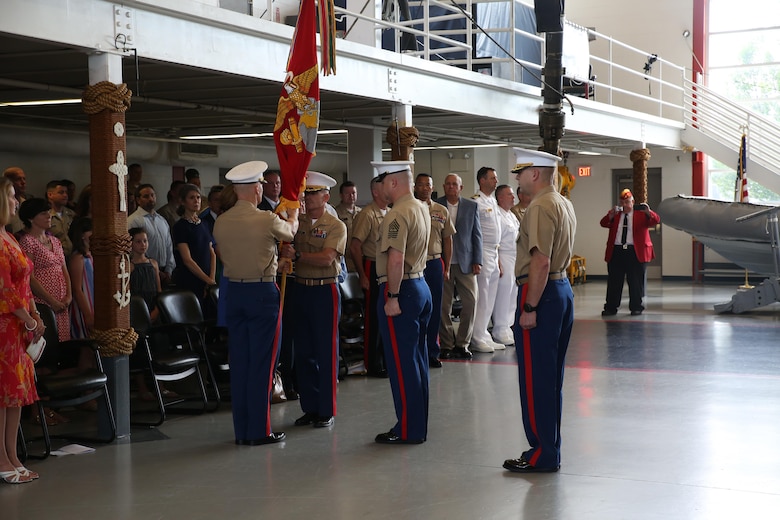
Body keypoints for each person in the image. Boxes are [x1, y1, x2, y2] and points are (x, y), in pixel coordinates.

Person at [213, 161, 298, 446]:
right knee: (263, 363)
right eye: (261, 184)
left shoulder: (220, 221)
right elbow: (291, 232)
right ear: (256, 188)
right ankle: (260, 431)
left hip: (234, 293)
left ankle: (242, 430)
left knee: (241, 363)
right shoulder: (264, 218)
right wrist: (293, 212)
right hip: (261, 294)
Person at [504, 148, 576, 473]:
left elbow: (541, 260)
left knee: (536, 380)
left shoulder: (540, 206)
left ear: (534, 173)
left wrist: (529, 305)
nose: (517, 179)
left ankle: (542, 453)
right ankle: (550, 448)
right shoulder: (562, 203)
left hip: (542, 294)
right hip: (561, 290)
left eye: (520, 172)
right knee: (551, 379)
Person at [371, 161, 432, 445]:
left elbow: (395, 258)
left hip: (402, 290)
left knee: (402, 363)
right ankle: (417, 424)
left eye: (382, 181)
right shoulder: (421, 207)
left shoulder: (397, 214)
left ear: (392, 183)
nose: (379, 187)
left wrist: (392, 297)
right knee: (417, 360)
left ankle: (408, 429)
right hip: (419, 284)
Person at [280, 172, 346, 429]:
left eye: (312, 193)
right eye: (305, 193)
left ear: (326, 196)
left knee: (325, 351)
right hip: (300, 288)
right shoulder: (300, 222)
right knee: (304, 351)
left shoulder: (335, 225)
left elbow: (328, 257)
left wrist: (297, 255)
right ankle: (309, 406)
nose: (307, 197)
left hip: (324, 290)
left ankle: (326, 409)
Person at [0, 177, 45, 484]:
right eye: (12, 197)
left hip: (20, 325)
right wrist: (27, 319)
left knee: (16, 396)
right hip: (5, 325)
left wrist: (35, 314)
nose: (17, 202)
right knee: (3, 396)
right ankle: (1, 459)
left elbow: (24, 283)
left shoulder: (9, 236)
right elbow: (3, 288)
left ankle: (13, 454)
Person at [436, 174, 482, 360]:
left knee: (470, 303)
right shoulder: (435, 205)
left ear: (461, 187)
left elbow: (476, 235)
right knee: (443, 306)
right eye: (447, 184)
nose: (451, 187)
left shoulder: (471, 206)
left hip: (465, 262)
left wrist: (477, 260)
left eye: (454, 184)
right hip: (442, 263)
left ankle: (462, 344)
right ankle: (446, 344)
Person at [413, 173, 455, 368]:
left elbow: (448, 240)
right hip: (414, 265)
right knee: (415, 309)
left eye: (427, 185)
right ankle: (416, 351)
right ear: (415, 187)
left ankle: (431, 351)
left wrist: (446, 267)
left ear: (432, 187)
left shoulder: (441, 210)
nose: (423, 188)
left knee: (435, 309)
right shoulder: (409, 209)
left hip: (434, 263)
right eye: (420, 185)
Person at [349, 176, 389, 377]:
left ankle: (384, 360)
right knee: (373, 318)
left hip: (386, 268)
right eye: (385, 186)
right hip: (372, 266)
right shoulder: (367, 214)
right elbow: (355, 246)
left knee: (386, 316)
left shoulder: (390, 212)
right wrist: (362, 275)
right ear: (376, 191)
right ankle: (373, 363)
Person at [18, 198, 72, 342]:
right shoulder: (27, 241)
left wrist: (68, 296)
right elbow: (30, 277)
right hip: (43, 302)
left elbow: (64, 270)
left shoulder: (55, 241)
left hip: (62, 302)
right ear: (30, 218)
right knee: (48, 344)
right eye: (43, 213)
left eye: (48, 212)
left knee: (63, 345)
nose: (49, 216)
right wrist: (52, 301)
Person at [600, 188, 661, 316]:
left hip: (635, 251)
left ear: (633, 202)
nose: (625, 205)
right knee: (614, 281)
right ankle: (611, 307)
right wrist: (610, 215)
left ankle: (636, 307)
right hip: (616, 251)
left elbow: (656, 220)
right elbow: (603, 223)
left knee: (635, 281)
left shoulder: (641, 214)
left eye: (627, 202)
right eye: (622, 203)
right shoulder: (615, 214)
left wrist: (648, 212)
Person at [470, 166, 505, 353]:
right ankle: (476, 337)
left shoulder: (492, 200)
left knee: (490, 297)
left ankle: (484, 333)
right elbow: (473, 233)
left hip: (494, 252)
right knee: (481, 297)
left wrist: (498, 259)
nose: (495, 181)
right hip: (482, 253)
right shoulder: (476, 202)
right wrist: (476, 258)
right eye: (492, 178)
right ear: (482, 180)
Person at [171, 184, 217, 305]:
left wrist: (211, 279)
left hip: (208, 278)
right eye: (192, 198)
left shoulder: (205, 223)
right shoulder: (180, 226)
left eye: (198, 197)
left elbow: (212, 252)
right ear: (183, 201)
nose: (196, 200)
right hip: (191, 278)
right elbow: (187, 260)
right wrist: (207, 280)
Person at [127, 183, 176, 286]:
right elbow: (132, 249)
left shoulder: (162, 220)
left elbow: (169, 246)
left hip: (165, 273)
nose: (150, 199)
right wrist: (155, 270)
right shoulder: (133, 221)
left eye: (152, 195)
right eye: (146, 196)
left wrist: (169, 270)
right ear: (138, 200)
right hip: (144, 271)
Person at [491, 184, 520, 346]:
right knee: (503, 294)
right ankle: (499, 329)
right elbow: (497, 242)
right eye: (509, 194)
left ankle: (508, 326)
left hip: (515, 258)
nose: (513, 197)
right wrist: (499, 263)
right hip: (504, 257)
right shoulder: (498, 216)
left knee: (512, 294)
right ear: (500, 197)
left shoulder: (511, 215)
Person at [68, 217, 94, 340]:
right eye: (91, 230)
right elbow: (77, 289)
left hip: (95, 302)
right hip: (85, 306)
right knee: (87, 349)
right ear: (82, 235)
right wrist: (88, 315)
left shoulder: (93, 255)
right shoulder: (78, 258)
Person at [335, 180, 361, 272]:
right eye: (347, 193)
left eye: (353, 193)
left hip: (361, 261)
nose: (351, 196)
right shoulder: (335, 214)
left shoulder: (362, 213)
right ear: (341, 195)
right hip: (344, 262)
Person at [45, 180, 75, 257]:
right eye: (61, 192)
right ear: (50, 195)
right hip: (55, 256)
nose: (65, 195)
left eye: (66, 192)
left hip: (73, 256)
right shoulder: (45, 215)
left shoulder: (71, 214)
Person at [3, 167, 27, 233]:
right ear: (8, 181)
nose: (23, 182)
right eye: (18, 179)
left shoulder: (27, 204)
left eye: (24, 179)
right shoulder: (3, 207)